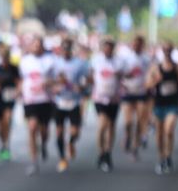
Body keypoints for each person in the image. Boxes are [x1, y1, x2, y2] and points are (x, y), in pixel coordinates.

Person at [18, 35, 55, 176]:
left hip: (45, 99)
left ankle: (43, 144)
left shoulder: (50, 61)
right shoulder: (25, 61)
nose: (36, 48)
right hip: (30, 99)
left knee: (44, 131)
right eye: (34, 45)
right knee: (32, 128)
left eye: (39, 45)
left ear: (42, 47)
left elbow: (57, 79)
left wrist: (48, 83)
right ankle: (33, 161)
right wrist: (19, 92)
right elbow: (22, 79)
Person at [51, 39, 89, 173]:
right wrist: (55, 85)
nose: (66, 51)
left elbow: (87, 80)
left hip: (74, 102)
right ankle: (62, 158)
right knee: (59, 132)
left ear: (71, 50)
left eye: (68, 48)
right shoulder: (55, 63)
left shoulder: (80, 63)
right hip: (60, 102)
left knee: (75, 132)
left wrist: (81, 87)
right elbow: (49, 80)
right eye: (64, 48)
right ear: (61, 50)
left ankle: (71, 143)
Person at [148, 41, 178, 174]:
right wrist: (155, 80)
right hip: (159, 104)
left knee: (168, 130)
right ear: (162, 51)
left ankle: (168, 155)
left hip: (173, 104)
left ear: (172, 50)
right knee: (159, 134)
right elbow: (147, 85)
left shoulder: (177, 67)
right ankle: (161, 158)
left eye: (169, 49)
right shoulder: (155, 67)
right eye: (165, 49)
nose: (167, 51)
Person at [90, 37, 122, 171]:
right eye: (106, 47)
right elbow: (91, 76)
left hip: (114, 98)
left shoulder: (118, 62)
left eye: (110, 47)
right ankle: (101, 151)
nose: (108, 50)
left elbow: (122, 76)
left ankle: (108, 152)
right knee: (103, 124)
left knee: (111, 126)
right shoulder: (96, 60)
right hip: (100, 98)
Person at [118, 34, 150, 161]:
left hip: (141, 93)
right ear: (132, 45)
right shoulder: (125, 58)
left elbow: (150, 74)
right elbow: (119, 74)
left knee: (139, 122)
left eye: (139, 44)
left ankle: (135, 147)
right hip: (128, 92)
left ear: (142, 46)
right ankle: (127, 136)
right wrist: (126, 77)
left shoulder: (146, 59)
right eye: (134, 44)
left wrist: (149, 84)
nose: (136, 46)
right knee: (128, 122)